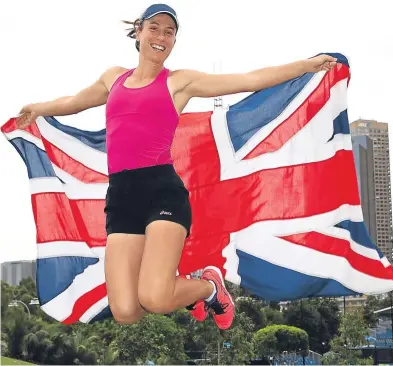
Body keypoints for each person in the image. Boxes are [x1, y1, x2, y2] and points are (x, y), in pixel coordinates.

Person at [15, 3, 338, 329]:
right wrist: (38, 108)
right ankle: (189, 293)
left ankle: (211, 287)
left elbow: (248, 79)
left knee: (154, 297)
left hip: (162, 194)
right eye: (154, 28)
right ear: (138, 31)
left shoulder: (178, 83)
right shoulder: (113, 78)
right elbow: (75, 101)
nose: (161, 36)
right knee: (126, 311)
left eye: (169, 32)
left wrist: (306, 65)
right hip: (121, 199)